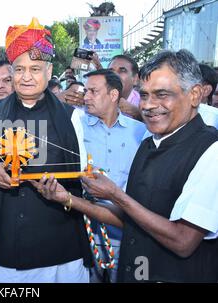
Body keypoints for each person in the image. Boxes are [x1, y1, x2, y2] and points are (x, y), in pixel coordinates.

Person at [34, 49, 218, 282]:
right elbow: (131, 218)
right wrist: (67, 199)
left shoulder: (211, 150)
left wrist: (115, 194)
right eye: (144, 95)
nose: (149, 105)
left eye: (162, 94)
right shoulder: (149, 144)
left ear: (195, 95)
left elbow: (183, 241)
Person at [0, 17, 92, 283]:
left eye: (35, 69)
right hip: (9, 246)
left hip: (63, 244)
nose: (26, 77)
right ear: (12, 72)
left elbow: (81, 170)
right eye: (20, 69)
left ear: (49, 73)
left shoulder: (72, 117)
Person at [80, 69, 146, 282]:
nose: (86, 97)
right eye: (85, 91)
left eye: (93, 91)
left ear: (114, 95)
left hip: (129, 235)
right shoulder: (76, 129)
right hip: (85, 232)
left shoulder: (141, 132)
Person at [108, 55, 142, 121]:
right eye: (111, 71)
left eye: (122, 71)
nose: (114, 75)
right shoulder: (98, 100)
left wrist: (139, 114)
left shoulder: (145, 104)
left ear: (135, 79)